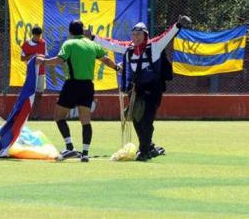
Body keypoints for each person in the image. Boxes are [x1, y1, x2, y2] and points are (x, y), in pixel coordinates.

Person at [92, 16, 191, 161]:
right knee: (137, 119)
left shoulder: (155, 46)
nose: (135, 37)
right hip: (136, 90)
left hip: (153, 90)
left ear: (145, 35)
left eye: (139, 34)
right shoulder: (129, 48)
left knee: (147, 120)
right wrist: (93, 37)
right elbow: (111, 44)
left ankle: (144, 150)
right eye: (133, 34)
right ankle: (147, 146)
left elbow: (167, 36)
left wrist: (178, 24)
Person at [36, 20, 120, 162]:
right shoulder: (92, 44)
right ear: (83, 31)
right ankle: (85, 153)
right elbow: (105, 59)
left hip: (72, 85)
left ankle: (69, 148)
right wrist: (117, 68)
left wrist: (43, 61)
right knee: (85, 120)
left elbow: (59, 60)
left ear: (70, 32)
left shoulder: (69, 44)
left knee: (58, 116)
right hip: (88, 86)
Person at [20, 26, 47, 119]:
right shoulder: (26, 44)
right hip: (31, 73)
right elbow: (22, 58)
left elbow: (45, 56)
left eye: (39, 36)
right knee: (30, 93)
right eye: (36, 36)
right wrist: (32, 56)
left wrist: (41, 59)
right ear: (33, 35)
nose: (38, 38)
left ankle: (36, 115)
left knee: (39, 94)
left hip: (41, 72)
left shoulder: (43, 43)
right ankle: (27, 114)